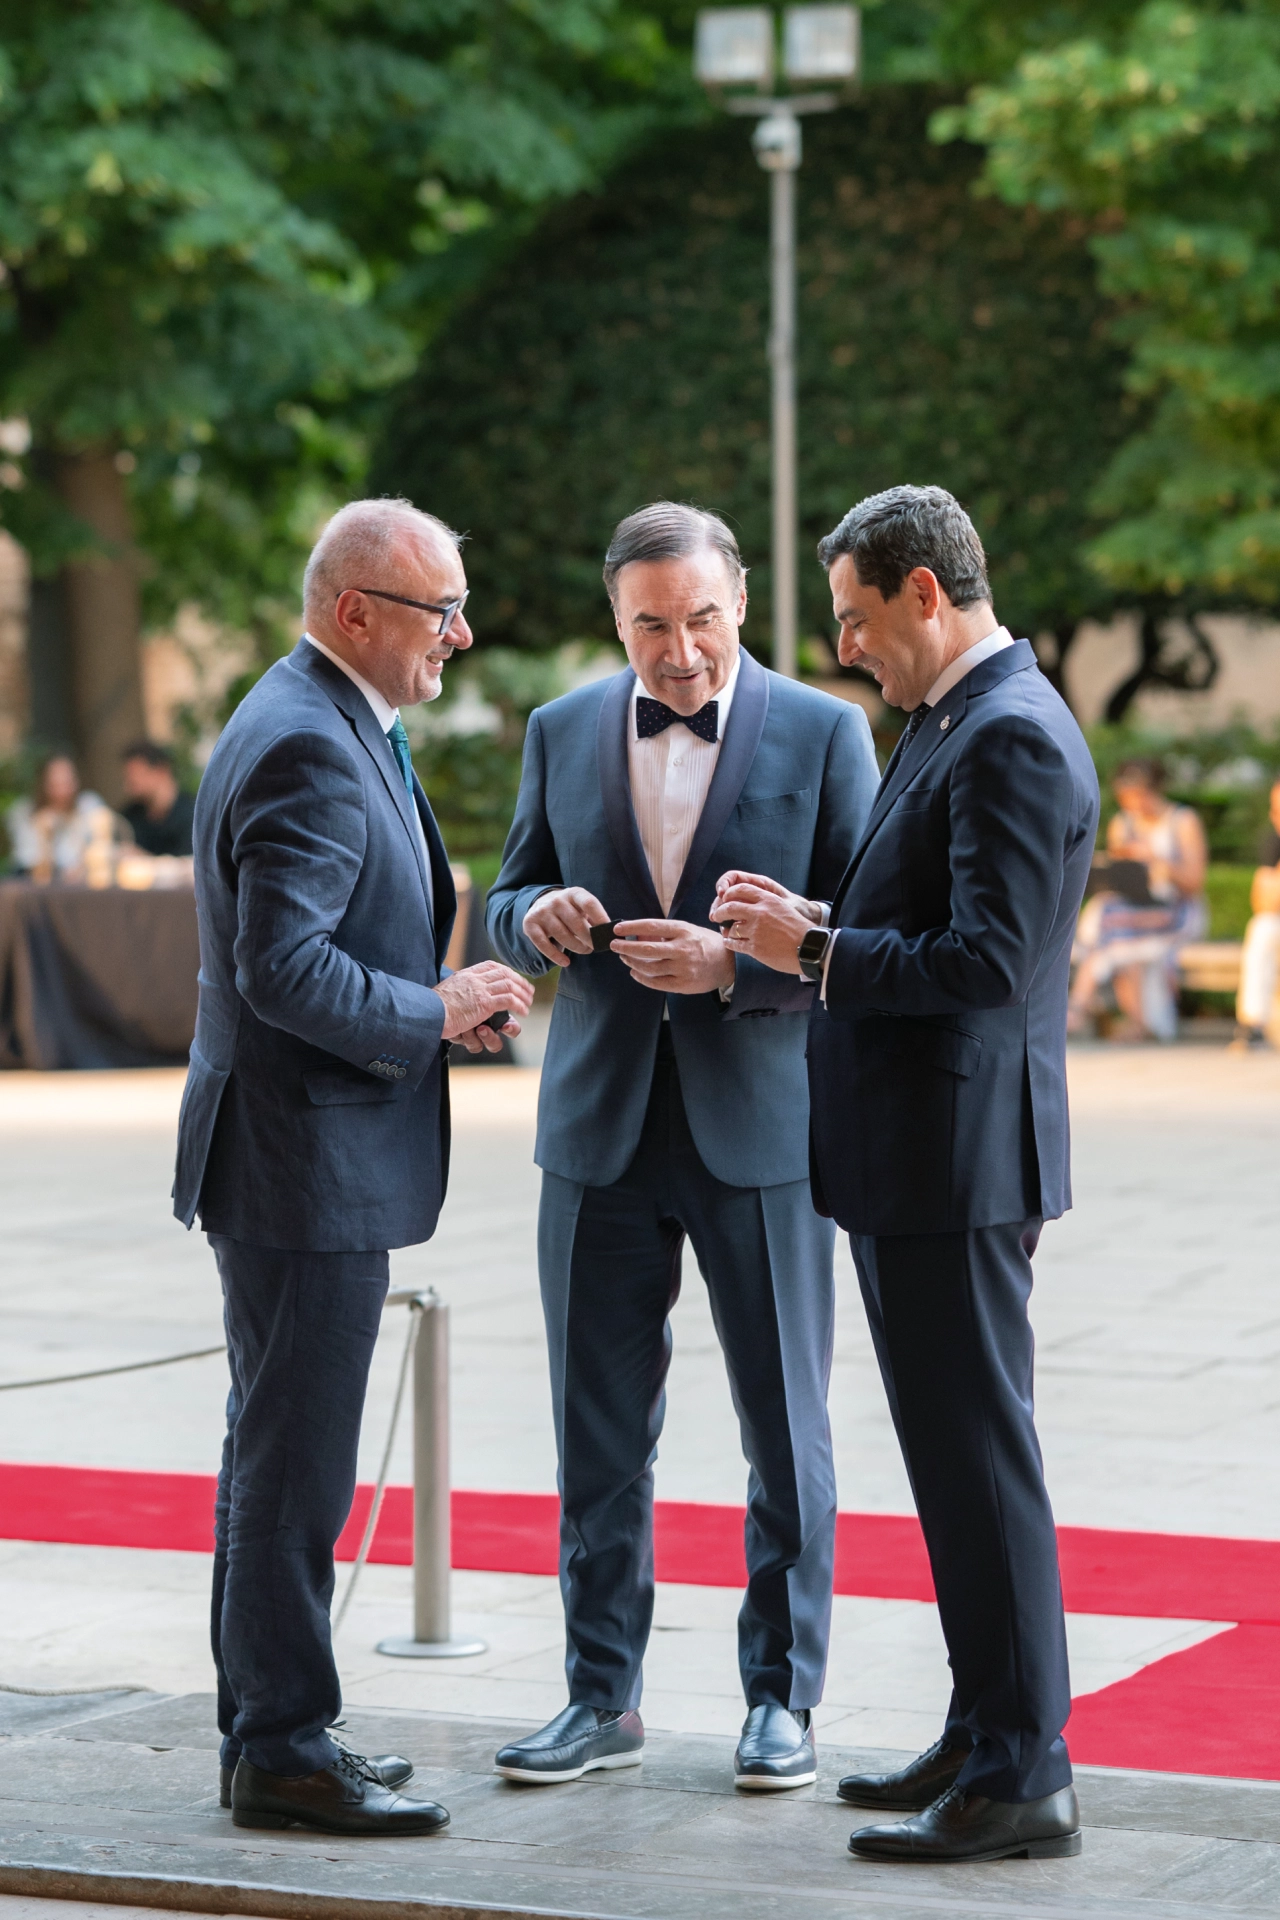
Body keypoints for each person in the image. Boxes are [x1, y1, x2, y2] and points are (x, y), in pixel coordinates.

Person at [714, 485, 1098, 1865]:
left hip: (955, 1161)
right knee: (952, 1463)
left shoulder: (1009, 735)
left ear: (926, 594)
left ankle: (1023, 1771)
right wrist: (815, 921)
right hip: (913, 1159)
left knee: (982, 1461)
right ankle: (985, 1724)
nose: (849, 649)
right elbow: (931, 923)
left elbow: (990, 965)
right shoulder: (954, 722)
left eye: (859, 620)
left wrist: (810, 956)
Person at [485, 502, 878, 1792]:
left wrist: (737, 964)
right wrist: (530, 912)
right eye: (650, 625)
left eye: (700, 619)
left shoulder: (826, 731)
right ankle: (599, 1699)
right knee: (594, 1433)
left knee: (784, 1425)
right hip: (594, 1129)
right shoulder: (558, 729)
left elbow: (864, 935)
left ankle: (782, 1700)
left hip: (758, 1128)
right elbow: (504, 891)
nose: (680, 652)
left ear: (741, 606)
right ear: (616, 622)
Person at [172, 498, 533, 1837]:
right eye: (441, 609)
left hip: (301, 1148)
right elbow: (286, 969)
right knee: (296, 1462)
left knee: (276, 1451)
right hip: (298, 1161)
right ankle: (279, 1744)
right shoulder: (306, 745)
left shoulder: (320, 714)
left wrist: (436, 996)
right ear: (354, 613)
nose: (462, 631)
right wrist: (434, 1012)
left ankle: (278, 1725)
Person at [1068, 757, 1207, 1042]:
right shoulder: (1123, 823)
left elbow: (1194, 883)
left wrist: (1155, 860)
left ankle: (1079, 1005)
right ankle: (1136, 1022)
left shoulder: (1183, 821)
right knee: (1110, 920)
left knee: (1107, 923)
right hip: (1131, 909)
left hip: (1175, 911)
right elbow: (1118, 876)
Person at [7, 754, 114, 882]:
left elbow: (103, 848)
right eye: (55, 784)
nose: (62, 792)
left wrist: (83, 867)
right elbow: (31, 867)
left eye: (67, 782)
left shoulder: (89, 805)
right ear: (43, 783)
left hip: (83, 883)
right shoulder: (23, 812)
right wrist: (45, 838)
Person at [1233, 777, 1280, 1050]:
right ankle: (1251, 1024)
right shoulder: (1273, 842)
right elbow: (1262, 903)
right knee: (1262, 928)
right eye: (1275, 811)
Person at [121, 741, 196, 856]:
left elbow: (191, 864)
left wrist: (144, 860)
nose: (129, 784)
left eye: (136, 775)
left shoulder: (192, 814)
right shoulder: (131, 817)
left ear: (161, 771)